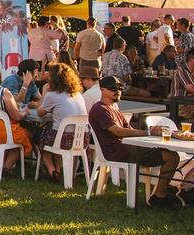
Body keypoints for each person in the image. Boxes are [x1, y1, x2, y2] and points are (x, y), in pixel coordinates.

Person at [88, 75, 182, 207]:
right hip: (119, 152)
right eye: (113, 89)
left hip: (127, 148)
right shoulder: (100, 109)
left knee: (168, 153)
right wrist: (149, 133)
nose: (118, 91)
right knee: (171, 156)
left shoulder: (114, 108)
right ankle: (160, 196)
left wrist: (151, 134)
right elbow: (118, 132)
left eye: (120, 88)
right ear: (102, 90)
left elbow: (129, 130)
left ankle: (166, 190)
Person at [36, 63, 88, 180]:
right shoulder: (78, 94)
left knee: (39, 138)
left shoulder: (52, 95)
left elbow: (40, 112)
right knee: (53, 135)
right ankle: (58, 170)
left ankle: (52, 170)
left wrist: (44, 93)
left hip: (63, 138)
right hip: (81, 138)